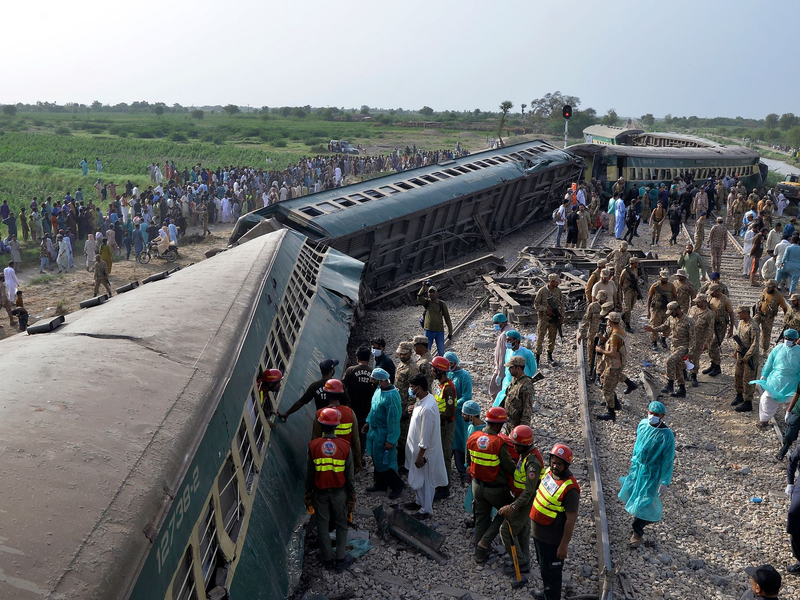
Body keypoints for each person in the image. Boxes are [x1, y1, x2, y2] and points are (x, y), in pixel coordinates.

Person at [305, 407, 355, 573]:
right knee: (341, 525)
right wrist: (352, 495)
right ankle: (340, 561)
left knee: (322, 525)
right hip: (339, 493)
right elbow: (349, 475)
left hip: (320, 493)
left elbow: (310, 474)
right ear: (337, 425)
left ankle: (327, 560)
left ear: (321, 425)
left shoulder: (313, 446)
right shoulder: (345, 447)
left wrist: (308, 493)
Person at [619, 401, 675, 548]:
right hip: (638, 468)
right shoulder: (643, 424)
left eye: (656, 415)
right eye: (651, 413)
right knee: (635, 494)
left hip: (652, 473)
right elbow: (638, 444)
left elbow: (668, 460)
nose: (652, 416)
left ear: (662, 416)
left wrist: (665, 481)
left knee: (645, 501)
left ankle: (637, 532)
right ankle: (638, 522)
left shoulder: (666, 435)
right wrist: (634, 462)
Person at [530, 444, 580, 600]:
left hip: (552, 540)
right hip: (539, 536)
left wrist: (563, 546)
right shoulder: (548, 473)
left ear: (566, 465)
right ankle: (546, 594)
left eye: (559, 464)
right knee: (544, 569)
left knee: (553, 575)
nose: (555, 466)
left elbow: (570, 520)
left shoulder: (570, 489)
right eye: (553, 461)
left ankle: (551, 596)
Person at [467, 406, 515, 562]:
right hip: (494, 489)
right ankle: (484, 543)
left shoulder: (473, 436)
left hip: (476, 486)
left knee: (481, 518)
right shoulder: (498, 442)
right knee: (507, 511)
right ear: (496, 425)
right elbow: (509, 467)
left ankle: (479, 555)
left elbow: (469, 462)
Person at [497, 425, 544, 577]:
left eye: (516, 444)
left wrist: (513, 507)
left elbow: (529, 491)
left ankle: (520, 563)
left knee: (505, 530)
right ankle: (525, 562)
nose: (514, 446)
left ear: (524, 445)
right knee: (523, 532)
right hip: (521, 500)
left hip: (525, 502)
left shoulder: (532, 463)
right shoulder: (525, 456)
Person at [404, 374, 448, 520]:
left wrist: (421, 454)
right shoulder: (422, 401)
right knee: (418, 477)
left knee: (426, 481)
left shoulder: (428, 407)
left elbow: (426, 434)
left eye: (412, 387)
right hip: (416, 449)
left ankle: (426, 509)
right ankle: (419, 501)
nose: (410, 390)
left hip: (424, 452)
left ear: (419, 387)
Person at [362, 368, 404, 499]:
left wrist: (391, 440)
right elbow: (373, 408)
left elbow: (393, 420)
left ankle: (397, 485)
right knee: (376, 459)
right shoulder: (379, 390)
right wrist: (368, 422)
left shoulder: (391, 397)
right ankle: (380, 484)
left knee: (384, 462)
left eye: (373, 379)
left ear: (380, 380)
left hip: (384, 434)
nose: (371, 381)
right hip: (376, 431)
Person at [644, 301, 696, 398]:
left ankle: (670, 384)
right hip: (674, 346)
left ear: (678, 310)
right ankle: (682, 389)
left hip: (683, 347)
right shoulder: (671, 318)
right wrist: (653, 329)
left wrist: (691, 351)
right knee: (677, 367)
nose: (671, 314)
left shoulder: (689, 322)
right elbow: (664, 326)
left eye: (672, 312)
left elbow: (693, 338)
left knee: (669, 361)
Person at [752, 330, 800, 429]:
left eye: (790, 339)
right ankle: (764, 421)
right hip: (775, 380)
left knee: (791, 402)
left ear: (795, 339)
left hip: (792, 382)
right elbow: (770, 362)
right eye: (786, 338)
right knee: (767, 399)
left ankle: (791, 423)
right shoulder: (778, 348)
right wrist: (764, 374)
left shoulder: (799, 351)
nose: (787, 340)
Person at [311, 379, 361, 471]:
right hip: (344, 456)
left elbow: (315, 440)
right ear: (341, 394)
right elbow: (356, 439)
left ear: (327, 394)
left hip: (324, 458)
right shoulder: (350, 413)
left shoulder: (320, 414)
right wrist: (358, 461)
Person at [279, 359, 346, 420]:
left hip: (321, 420)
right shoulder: (339, 385)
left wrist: (287, 413)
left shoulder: (315, 386)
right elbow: (347, 403)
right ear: (331, 371)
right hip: (337, 419)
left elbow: (301, 402)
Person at [343, 347, 376, 461]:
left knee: (349, 434)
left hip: (351, 409)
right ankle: (359, 459)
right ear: (369, 358)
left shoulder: (350, 371)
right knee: (362, 435)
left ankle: (347, 457)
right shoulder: (373, 373)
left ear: (357, 358)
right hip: (366, 410)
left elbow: (342, 388)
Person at [445, 351, 472, 485]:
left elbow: (467, 396)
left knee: (461, 441)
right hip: (449, 414)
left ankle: (463, 471)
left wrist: (454, 404)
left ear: (455, 363)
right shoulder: (448, 375)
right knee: (449, 440)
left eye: (449, 364)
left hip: (459, 415)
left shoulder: (464, 376)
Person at [431, 355, 457, 498]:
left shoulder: (448, 389)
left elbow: (450, 411)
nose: (431, 372)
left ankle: (445, 488)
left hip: (446, 426)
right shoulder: (440, 386)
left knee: (445, 455)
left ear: (440, 371)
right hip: (441, 425)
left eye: (434, 369)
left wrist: (433, 415)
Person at [493, 329, 538, 407]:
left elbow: (533, 368)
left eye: (509, 340)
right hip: (508, 381)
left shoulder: (526, 353)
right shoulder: (508, 351)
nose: (507, 342)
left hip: (521, 382)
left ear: (516, 340)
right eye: (506, 340)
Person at [596, 312, 627, 421]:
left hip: (614, 365)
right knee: (603, 378)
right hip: (616, 363)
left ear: (610, 321)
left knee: (607, 389)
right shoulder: (620, 331)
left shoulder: (614, 337)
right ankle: (615, 404)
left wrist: (601, 350)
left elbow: (613, 353)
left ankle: (611, 413)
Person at [394, 341, 419, 469]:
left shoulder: (412, 369)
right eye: (400, 353)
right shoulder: (402, 364)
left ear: (410, 352)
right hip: (399, 403)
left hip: (405, 407)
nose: (401, 356)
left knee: (404, 436)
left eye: (404, 354)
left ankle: (403, 463)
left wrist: (408, 410)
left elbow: (413, 392)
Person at [732, 305, 761, 413]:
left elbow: (754, 344)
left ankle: (748, 402)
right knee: (738, 375)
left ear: (746, 313)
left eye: (739, 313)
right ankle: (739, 395)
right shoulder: (740, 323)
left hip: (750, 358)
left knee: (748, 379)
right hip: (741, 355)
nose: (738, 315)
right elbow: (738, 338)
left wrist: (747, 357)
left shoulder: (753, 326)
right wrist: (736, 350)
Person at [534, 273, 564, 365]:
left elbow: (562, 305)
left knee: (552, 337)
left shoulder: (558, 291)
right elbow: (536, 304)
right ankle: (537, 357)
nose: (558, 284)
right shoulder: (542, 291)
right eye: (556, 282)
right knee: (540, 337)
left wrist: (562, 316)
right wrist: (545, 310)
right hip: (543, 319)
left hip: (554, 319)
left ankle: (549, 355)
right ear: (551, 281)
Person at [417, 282, 453, 357]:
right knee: (426, 352)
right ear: (428, 294)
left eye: (433, 292)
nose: (432, 294)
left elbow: (447, 318)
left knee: (441, 352)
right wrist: (423, 288)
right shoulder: (427, 302)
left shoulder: (442, 304)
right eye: (430, 292)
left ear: (437, 293)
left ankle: (441, 367)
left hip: (439, 331)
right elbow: (419, 297)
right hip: (428, 331)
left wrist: (450, 332)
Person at [687, 293, 715, 387]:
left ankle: (693, 375)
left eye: (698, 302)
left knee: (695, 357)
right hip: (687, 337)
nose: (696, 304)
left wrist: (707, 343)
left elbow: (710, 330)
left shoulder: (709, 314)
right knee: (684, 355)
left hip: (699, 339)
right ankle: (684, 372)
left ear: (703, 302)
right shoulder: (693, 309)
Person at [754, 280, 788, 354]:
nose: (767, 288)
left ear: (773, 287)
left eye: (769, 287)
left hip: (768, 318)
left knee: (766, 333)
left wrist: (786, 319)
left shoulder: (779, 296)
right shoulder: (765, 291)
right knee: (752, 327)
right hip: (759, 314)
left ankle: (764, 350)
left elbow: (785, 308)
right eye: (767, 286)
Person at [647, 269, 677, 351]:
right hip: (656, 309)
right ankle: (654, 342)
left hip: (667, 310)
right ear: (660, 277)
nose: (665, 280)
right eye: (663, 278)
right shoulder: (655, 285)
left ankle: (663, 338)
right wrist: (648, 311)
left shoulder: (671, 286)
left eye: (666, 278)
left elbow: (675, 297)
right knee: (654, 325)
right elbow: (649, 298)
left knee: (668, 326)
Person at [503, 355, 534, 431]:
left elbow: (527, 409)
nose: (509, 369)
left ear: (518, 368)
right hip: (509, 422)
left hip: (517, 425)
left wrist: (522, 429)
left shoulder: (526, 385)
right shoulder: (514, 379)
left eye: (511, 367)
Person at [619, 256, 643, 332]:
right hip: (627, 291)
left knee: (631, 307)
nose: (638, 264)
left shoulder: (635, 270)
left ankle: (624, 317)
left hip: (634, 291)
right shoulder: (625, 271)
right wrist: (622, 291)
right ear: (633, 263)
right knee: (627, 308)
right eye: (636, 263)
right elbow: (621, 282)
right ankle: (627, 325)